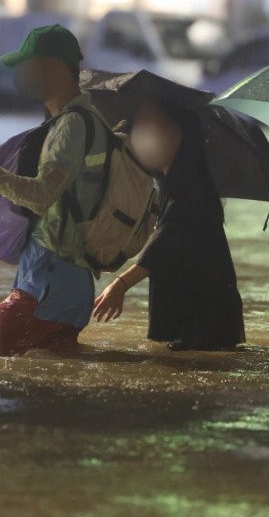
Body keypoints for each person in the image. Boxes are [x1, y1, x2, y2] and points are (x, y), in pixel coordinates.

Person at [0, 25, 108, 357]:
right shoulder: (86, 119)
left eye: (29, 65)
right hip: (64, 283)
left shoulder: (71, 126)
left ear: (54, 68)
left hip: (48, 286)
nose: (22, 74)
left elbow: (42, 196)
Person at [91, 100, 245, 350]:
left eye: (153, 126)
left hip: (203, 320)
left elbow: (163, 243)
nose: (143, 136)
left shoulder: (191, 185)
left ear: (178, 133)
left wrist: (120, 285)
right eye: (140, 127)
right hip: (199, 317)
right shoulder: (173, 182)